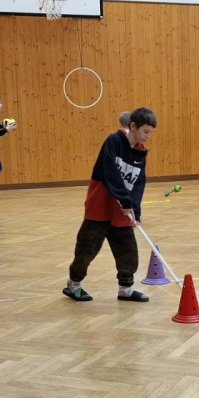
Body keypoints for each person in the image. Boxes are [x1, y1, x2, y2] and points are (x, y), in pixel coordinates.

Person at [63, 107, 156, 302]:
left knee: (128, 252)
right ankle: (74, 285)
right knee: (86, 250)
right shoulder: (113, 142)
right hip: (99, 208)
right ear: (133, 126)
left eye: (150, 132)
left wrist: (136, 211)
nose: (148, 136)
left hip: (122, 213)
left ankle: (126, 289)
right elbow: (109, 173)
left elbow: (139, 183)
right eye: (145, 131)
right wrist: (124, 200)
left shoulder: (140, 153)